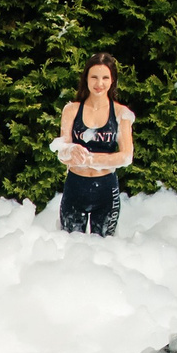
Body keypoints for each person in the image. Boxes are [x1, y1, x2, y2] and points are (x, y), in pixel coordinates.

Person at [54, 54, 134, 236]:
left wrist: (91, 159)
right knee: (70, 247)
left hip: (106, 190)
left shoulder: (121, 113)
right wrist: (70, 150)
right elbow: (61, 151)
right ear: (86, 79)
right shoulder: (72, 110)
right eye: (94, 77)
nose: (99, 83)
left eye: (105, 77)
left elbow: (126, 156)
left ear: (112, 80)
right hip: (75, 187)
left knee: (104, 251)